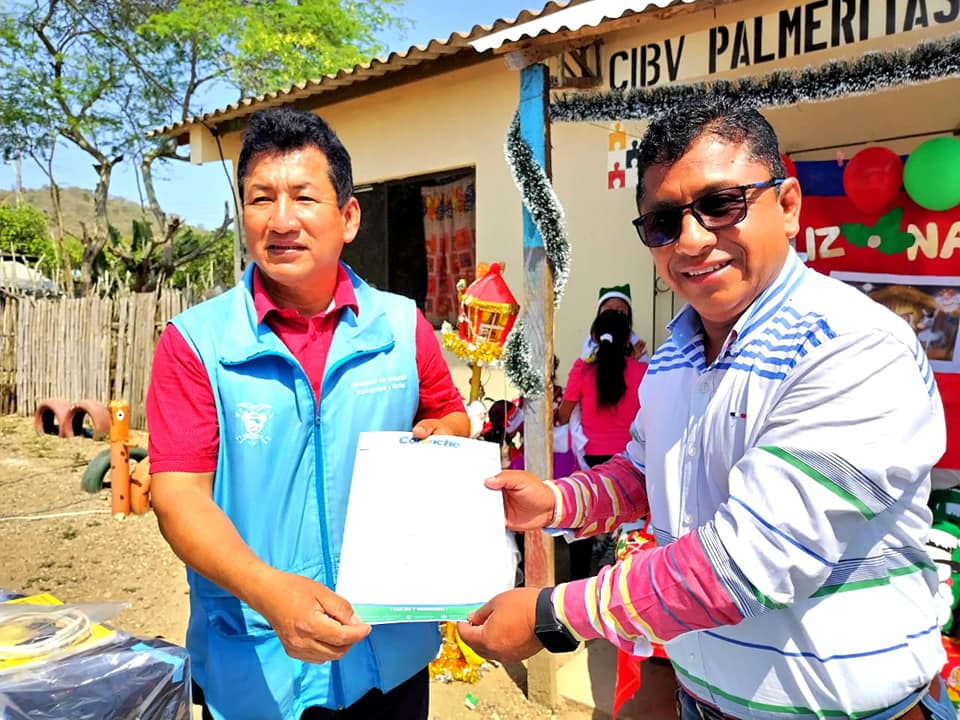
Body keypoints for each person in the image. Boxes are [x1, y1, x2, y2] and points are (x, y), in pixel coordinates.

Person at [459, 96, 953, 720]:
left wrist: (551, 613)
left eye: (721, 205)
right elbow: (647, 472)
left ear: (789, 206)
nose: (691, 240)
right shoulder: (675, 352)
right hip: (701, 702)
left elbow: (748, 563)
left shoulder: (851, 345)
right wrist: (555, 504)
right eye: (664, 222)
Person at [146, 107, 469, 720]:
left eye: (303, 196)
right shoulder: (197, 344)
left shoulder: (402, 326)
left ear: (348, 217)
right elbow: (178, 496)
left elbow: (451, 415)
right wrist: (270, 593)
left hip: (389, 655)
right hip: (260, 668)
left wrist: (439, 439)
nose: (281, 220)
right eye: (261, 198)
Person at [560, 308, 646, 579]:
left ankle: (577, 582)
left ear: (595, 337)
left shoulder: (582, 370)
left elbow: (564, 414)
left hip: (591, 462)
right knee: (633, 529)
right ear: (628, 339)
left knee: (581, 517)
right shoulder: (644, 371)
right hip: (631, 464)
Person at [579, 284, 648, 362]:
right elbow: (587, 363)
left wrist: (633, 361)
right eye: (608, 310)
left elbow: (645, 366)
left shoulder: (636, 343)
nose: (614, 315)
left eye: (620, 311)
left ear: (628, 315)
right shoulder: (593, 339)